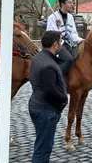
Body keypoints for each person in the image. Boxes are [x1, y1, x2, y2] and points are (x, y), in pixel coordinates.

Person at [28, 30, 68, 163]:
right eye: (61, 42)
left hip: (38, 106)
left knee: (42, 145)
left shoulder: (39, 57)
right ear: (55, 45)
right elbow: (50, 89)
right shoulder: (48, 65)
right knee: (43, 149)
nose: (62, 45)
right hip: (46, 111)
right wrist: (63, 99)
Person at [47, 0, 84, 76]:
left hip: (69, 44)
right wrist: (58, 27)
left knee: (77, 60)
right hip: (58, 44)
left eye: (72, 3)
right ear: (62, 4)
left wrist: (80, 40)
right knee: (69, 60)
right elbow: (50, 35)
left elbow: (73, 33)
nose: (72, 5)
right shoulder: (52, 17)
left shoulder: (70, 17)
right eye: (69, 2)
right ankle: (57, 77)